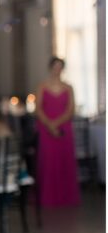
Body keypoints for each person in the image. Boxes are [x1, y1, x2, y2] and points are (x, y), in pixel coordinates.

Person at [34, 57, 81, 207]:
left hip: (64, 128)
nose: (57, 69)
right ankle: (48, 196)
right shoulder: (42, 86)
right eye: (55, 66)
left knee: (64, 160)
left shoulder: (69, 87)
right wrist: (49, 125)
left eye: (60, 66)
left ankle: (66, 196)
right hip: (46, 128)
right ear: (50, 68)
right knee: (48, 161)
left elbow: (70, 109)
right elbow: (38, 108)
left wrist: (56, 124)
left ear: (63, 69)